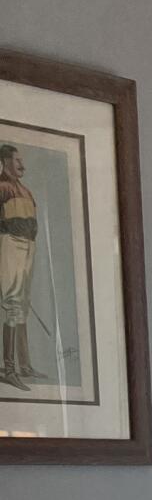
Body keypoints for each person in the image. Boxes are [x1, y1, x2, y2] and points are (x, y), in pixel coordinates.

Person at [0, 142, 39, 389]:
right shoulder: (2, 188)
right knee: (13, 304)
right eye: (17, 161)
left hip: (28, 245)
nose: (22, 165)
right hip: (10, 242)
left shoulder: (26, 191)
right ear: (5, 162)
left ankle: (25, 365)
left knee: (23, 303)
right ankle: (9, 368)